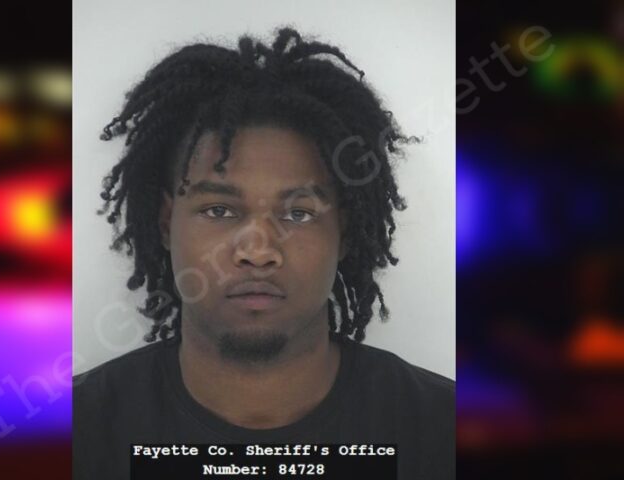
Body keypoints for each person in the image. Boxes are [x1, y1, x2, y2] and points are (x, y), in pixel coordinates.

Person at [73, 27, 454, 479]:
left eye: (298, 213)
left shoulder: (444, 431)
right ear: (165, 224)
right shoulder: (75, 433)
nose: (258, 251)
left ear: (345, 233)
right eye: (219, 210)